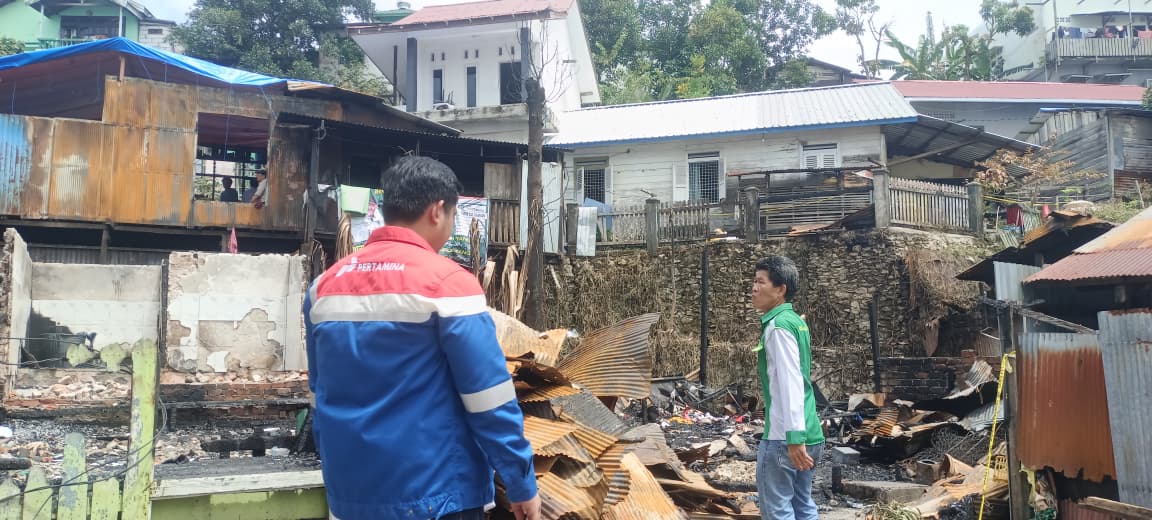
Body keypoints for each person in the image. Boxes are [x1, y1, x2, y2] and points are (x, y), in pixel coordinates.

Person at [303, 156, 541, 520]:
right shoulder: (448, 285)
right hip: (435, 496)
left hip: (351, 497)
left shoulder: (323, 289)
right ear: (437, 210)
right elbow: (488, 399)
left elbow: (319, 396)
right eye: (453, 217)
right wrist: (521, 482)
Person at [751, 255, 825, 520]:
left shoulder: (778, 326)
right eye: (754, 281)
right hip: (811, 430)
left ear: (780, 289)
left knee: (777, 510)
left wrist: (794, 438)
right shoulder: (794, 321)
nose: (754, 288)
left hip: (786, 435)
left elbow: (790, 383)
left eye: (761, 282)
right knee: (802, 504)